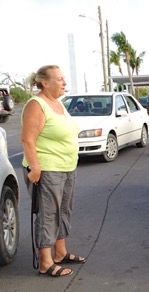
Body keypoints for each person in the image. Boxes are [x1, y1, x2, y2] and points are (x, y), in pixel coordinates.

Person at [21, 65, 86, 277]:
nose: (64, 83)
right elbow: (27, 139)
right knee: (48, 214)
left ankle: (60, 252)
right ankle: (45, 262)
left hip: (66, 167)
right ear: (44, 83)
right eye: (60, 79)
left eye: (63, 79)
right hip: (47, 169)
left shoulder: (57, 103)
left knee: (63, 212)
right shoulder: (36, 104)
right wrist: (35, 167)